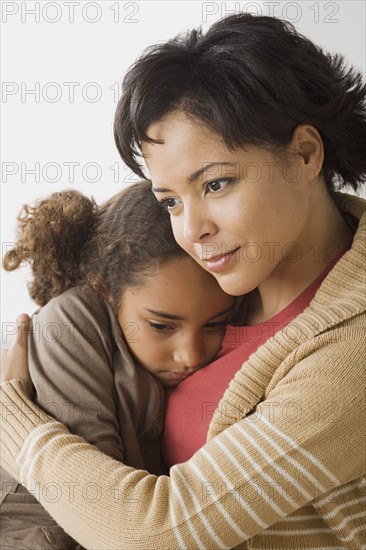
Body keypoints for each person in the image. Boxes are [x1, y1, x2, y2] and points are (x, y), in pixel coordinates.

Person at [1, 12, 366, 549]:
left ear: (305, 154)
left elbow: (159, 531)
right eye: (170, 200)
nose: (192, 230)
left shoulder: (351, 348)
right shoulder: (219, 286)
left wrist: (11, 419)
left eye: (217, 183)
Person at [0, 180, 234, 549]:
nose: (190, 354)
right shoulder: (69, 322)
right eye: (161, 325)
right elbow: (97, 501)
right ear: (105, 290)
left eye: (214, 324)